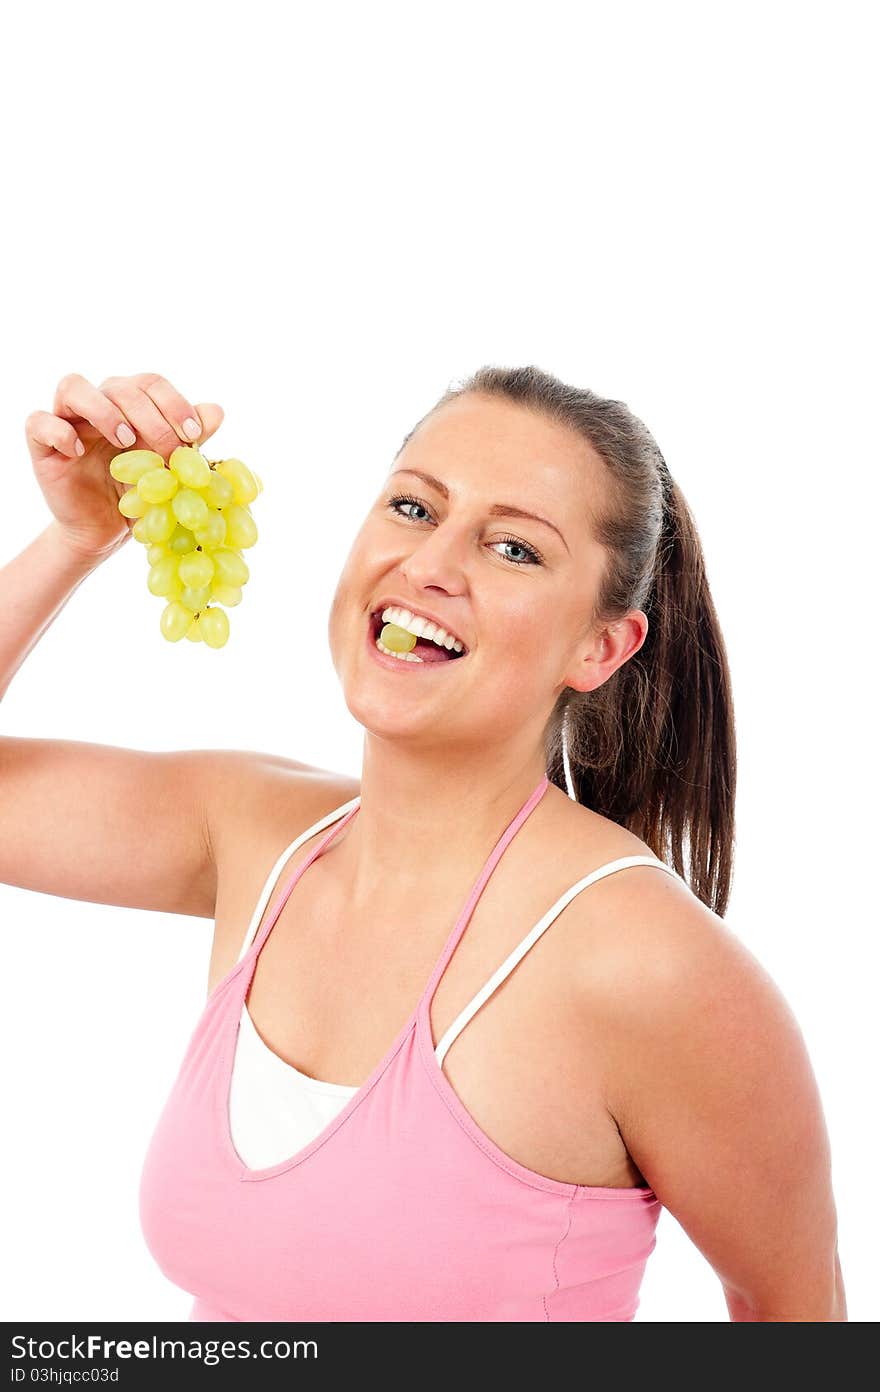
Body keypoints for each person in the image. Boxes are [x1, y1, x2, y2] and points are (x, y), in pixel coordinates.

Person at [1, 366, 845, 1322]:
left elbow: (797, 1315)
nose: (432, 565)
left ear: (601, 649)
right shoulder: (251, 835)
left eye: (515, 549)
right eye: (413, 506)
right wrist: (77, 537)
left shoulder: (647, 967)